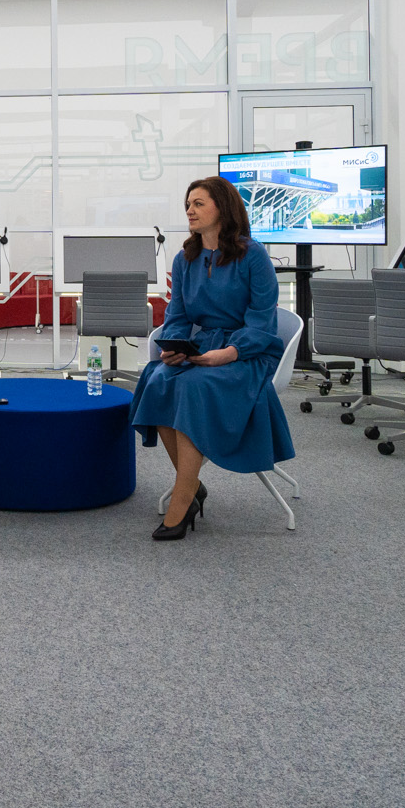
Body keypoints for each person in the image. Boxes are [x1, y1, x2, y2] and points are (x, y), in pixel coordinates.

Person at [129, 175, 294, 541]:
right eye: (188, 204)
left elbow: (262, 321)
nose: (190, 210)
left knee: (191, 387)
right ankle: (190, 485)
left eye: (199, 203)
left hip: (247, 352)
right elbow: (178, 315)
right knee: (156, 380)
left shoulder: (253, 255)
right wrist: (173, 347)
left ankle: (182, 500)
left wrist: (229, 353)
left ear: (223, 208)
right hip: (203, 346)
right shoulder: (184, 258)